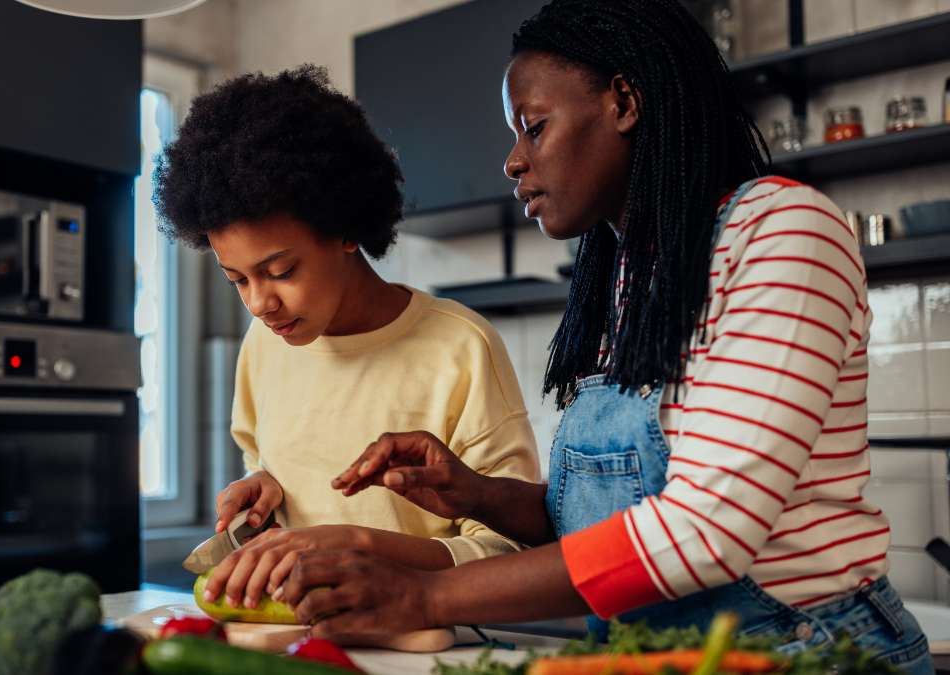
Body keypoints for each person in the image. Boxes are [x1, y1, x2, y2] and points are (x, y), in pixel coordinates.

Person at [277, 2, 933, 671]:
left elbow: (703, 531)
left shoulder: (782, 233)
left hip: (809, 652)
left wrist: (423, 595)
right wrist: (478, 494)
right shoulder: (625, 278)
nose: (512, 161)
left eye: (534, 127)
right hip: (655, 655)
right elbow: (609, 524)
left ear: (623, 102)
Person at [152, 66, 541, 611]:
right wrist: (264, 492)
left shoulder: (461, 347)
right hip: (300, 637)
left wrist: (358, 547)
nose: (259, 303)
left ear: (345, 230)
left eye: (281, 271)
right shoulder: (263, 346)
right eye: (237, 279)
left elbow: (508, 551)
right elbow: (275, 471)